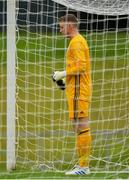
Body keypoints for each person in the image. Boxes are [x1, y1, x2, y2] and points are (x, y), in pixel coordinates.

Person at [52, 14, 92, 175]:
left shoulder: (76, 42)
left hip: (79, 91)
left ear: (70, 25)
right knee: (78, 127)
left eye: (62, 27)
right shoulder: (76, 41)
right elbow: (76, 68)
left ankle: (84, 166)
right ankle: (82, 164)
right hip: (75, 90)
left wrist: (62, 73)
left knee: (81, 126)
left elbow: (81, 67)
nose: (60, 30)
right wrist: (62, 81)